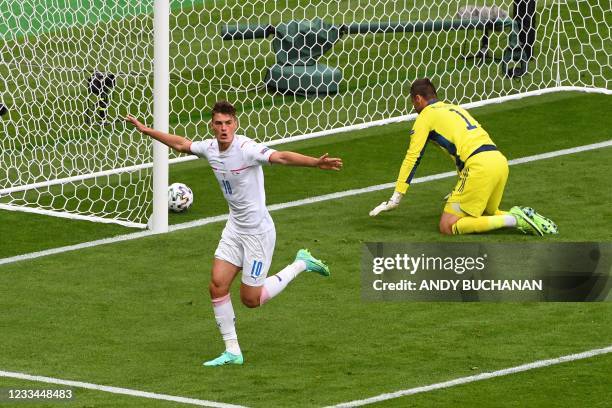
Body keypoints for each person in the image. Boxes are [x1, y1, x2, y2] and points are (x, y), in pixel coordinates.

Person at [126, 101, 342, 366]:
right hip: (234, 228)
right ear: (212, 126)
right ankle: (233, 351)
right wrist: (146, 130)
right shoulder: (209, 148)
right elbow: (182, 144)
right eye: (219, 124)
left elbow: (281, 157)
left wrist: (314, 163)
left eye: (228, 123)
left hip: (258, 233)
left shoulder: (247, 149)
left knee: (251, 300)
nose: (224, 128)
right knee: (217, 285)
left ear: (236, 125)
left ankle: (301, 263)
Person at [369, 78, 558, 236]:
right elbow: (467, 144)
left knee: (447, 226)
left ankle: (514, 219)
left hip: (479, 167)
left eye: (413, 102)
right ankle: (526, 216)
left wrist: (396, 198)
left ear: (418, 99)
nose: (413, 107)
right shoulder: (456, 109)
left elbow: (413, 158)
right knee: (486, 213)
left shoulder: (425, 117)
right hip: (498, 161)